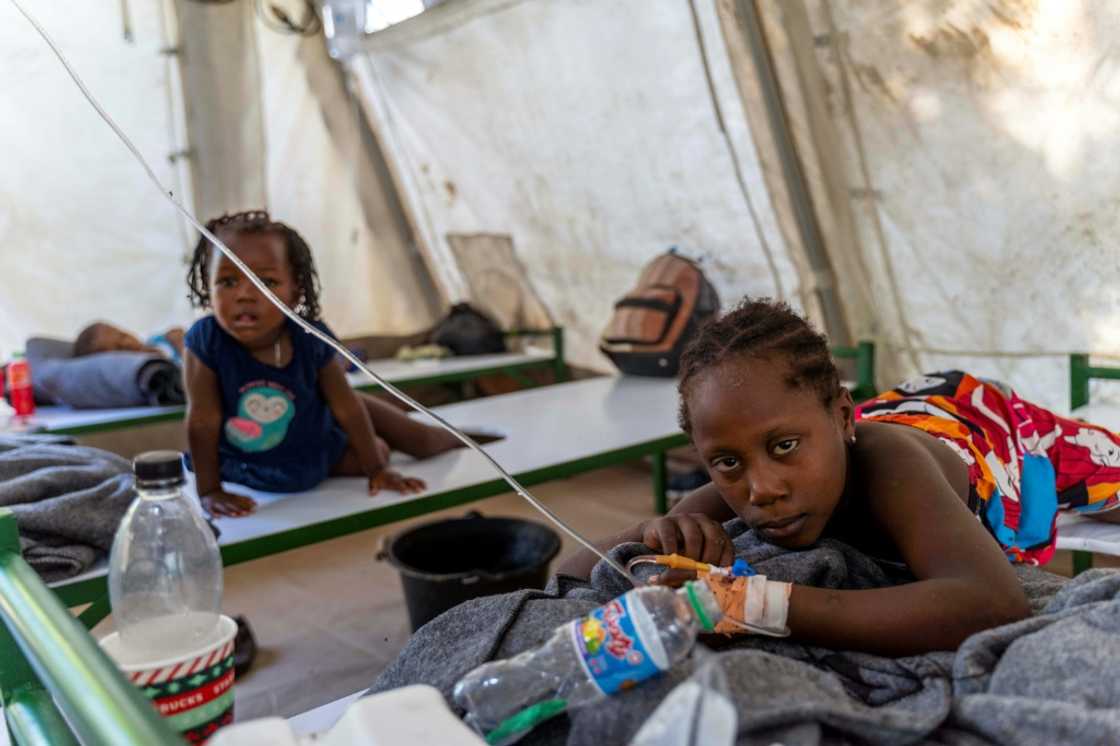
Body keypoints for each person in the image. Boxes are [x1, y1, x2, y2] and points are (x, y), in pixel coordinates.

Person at [560, 299, 1120, 656]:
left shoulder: (888, 465)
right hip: (893, 406)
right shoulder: (755, 462)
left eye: (784, 447)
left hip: (981, 422)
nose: (762, 490)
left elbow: (992, 604)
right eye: (726, 463)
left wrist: (747, 605)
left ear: (841, 420)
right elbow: (570, 569)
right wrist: (657, 530)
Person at [183, 210, 463, 518]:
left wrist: (377, 470)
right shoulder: (205, 339)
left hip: (315, 453)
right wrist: (209, 491)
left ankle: (467, 439)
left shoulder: (309, 336)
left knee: (394, 446)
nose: (245, 294)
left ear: (295, 292)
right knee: (377, 443)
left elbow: (347, 407)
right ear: (207, 289)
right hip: (248, 467)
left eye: (267, 281)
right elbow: (202, 421)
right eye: (228, 280)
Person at [73, 321, 185, 364]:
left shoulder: (158, 340)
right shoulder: (148, 371)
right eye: (119, 348)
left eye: (123, 335)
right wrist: (183, 347)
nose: (128, 344)